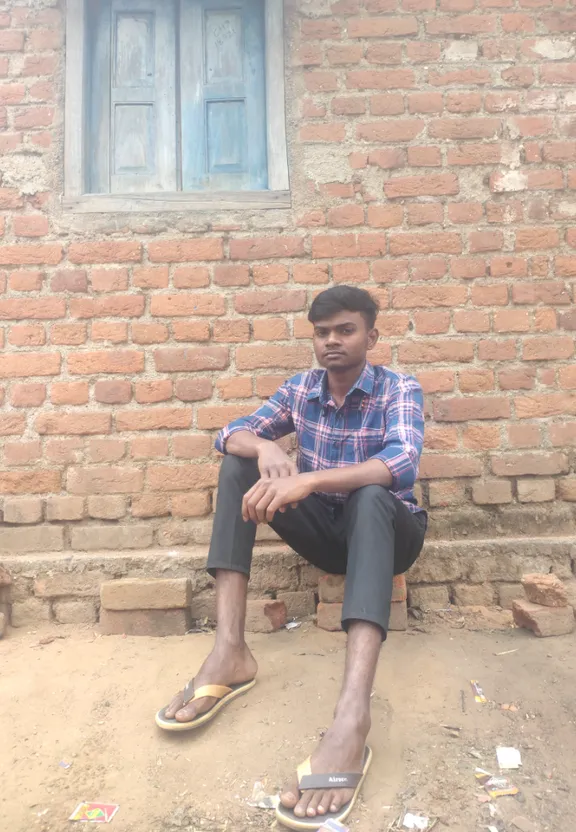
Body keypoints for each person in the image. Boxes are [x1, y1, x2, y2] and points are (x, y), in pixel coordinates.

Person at [156, 285, 427, 830]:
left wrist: (307, 478)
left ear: (370, 336)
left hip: (390, 534)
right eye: (322, 332)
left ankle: (352, 719)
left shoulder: (400, 388)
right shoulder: (300, 389)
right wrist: (265, 447)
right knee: (238, 467)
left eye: (345, 330)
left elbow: (401, 460)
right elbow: (228, 434)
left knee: (372, 493)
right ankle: (229, 652)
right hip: (326, 533)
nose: (332, 341)